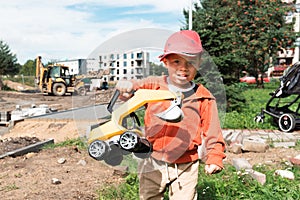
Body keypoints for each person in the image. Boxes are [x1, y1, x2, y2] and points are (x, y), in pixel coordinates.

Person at [116, 30, 226, 200]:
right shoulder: (153, 85)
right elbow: (132, 91)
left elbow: (213, 132)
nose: (183, 68)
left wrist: (215, 156)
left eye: (190, 62)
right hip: (152, 160)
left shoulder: (203, 96)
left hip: (186, 165)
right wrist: (126, 87)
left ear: (199, 63)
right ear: (165, 62)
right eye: (176, 61)